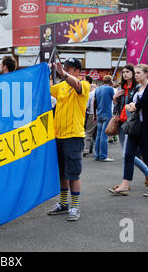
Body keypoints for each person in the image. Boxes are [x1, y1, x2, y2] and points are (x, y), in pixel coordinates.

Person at [48, 58, 90, 221]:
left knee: (73, 174)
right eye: (64, 68)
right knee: (62, 174)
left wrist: (64, 75)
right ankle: (63, 203)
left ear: (77, 72)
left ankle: (75, 206)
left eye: (69, 69)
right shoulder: (61, 87)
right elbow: (46, 90)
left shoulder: (84, 85)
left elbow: (77, 86)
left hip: (74, 136)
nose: (64, 70)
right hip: (58, 136)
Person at [109, 64, 148, 197]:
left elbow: (137, 106)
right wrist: (130, 105)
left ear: (146, 74)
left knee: (147, 156)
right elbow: (128, 105)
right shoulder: (138, 89)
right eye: (135, 72)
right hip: (135, 127)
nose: (135, 74)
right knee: (128, 154)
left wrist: (133, 106)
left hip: (146, 128)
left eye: (138, 73)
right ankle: (125, 185)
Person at [113, 64, 148, 187]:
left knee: (127, 155)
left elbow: (137, 106)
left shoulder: (137, 88)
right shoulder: (121, 88)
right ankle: (127, 182)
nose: (125, 74)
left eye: (128, 71)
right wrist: (114, 99)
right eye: (123, 72)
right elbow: (117, 106)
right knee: (127, 154)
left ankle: (145, 173)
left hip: (133, 123)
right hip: (121, 123)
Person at [93, 75, 115, 162]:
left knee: (98, 135)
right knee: (104, 136)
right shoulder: (110, 89)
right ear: (110, 81)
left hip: (99, 113)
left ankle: (97, 155)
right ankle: (103, 156)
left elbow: (94, 102)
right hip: (107, 113)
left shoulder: (97, 89)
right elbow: (114, 99)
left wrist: (94, 114)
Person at [83, 82, 97, 156]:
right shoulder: (99, 92)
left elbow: (86, 106)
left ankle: (86, 149)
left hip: (92, 114)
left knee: (89, 133)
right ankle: (98, 151)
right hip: (101, 114)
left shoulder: (90, 94)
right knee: (98, 134)